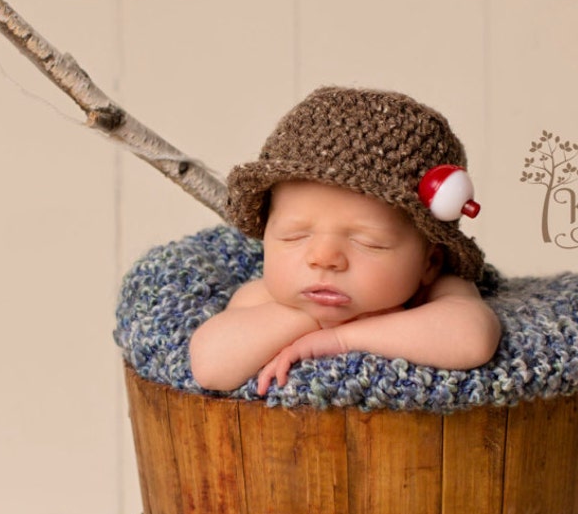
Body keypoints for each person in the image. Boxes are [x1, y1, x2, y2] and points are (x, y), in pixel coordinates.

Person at [190, 86, 502, 395]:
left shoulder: (434, 291)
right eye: (294, 235)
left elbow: (473, 338)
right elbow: (210, 367)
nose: (324, 257)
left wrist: (342, 338)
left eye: (369, 242)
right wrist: (309, 319)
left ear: (429, 263)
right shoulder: (265, 297)